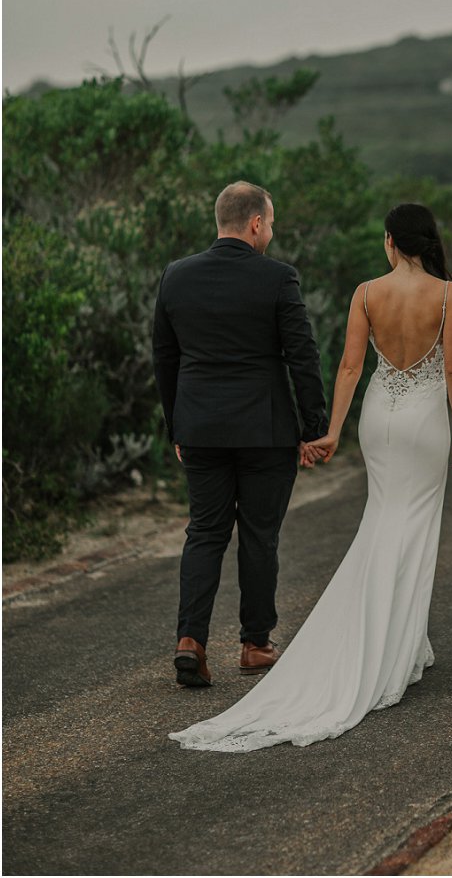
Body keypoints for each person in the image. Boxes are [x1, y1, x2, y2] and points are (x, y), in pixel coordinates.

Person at [168, 202, 452, 751]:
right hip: (412, 423)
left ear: (389, 241)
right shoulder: (448, 295)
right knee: (408, 526)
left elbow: (350, 367)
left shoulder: (365, 293)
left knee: (218, 529)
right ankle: (370, 644)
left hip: (367, 419)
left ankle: (195, 636)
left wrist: (332, 430)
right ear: (428, 242)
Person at [152, 180, 328, 688]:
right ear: (255, 223)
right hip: (264, 430)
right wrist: (313, 427)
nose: (270, 231)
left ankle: (191, 641)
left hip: (200, 428)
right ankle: (255, 644)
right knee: (258, 535)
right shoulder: (277, 278)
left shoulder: (175, 276)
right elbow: (302, 355)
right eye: (270, 223)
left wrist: (176, 426)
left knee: (204, 532)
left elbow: (165, 357)